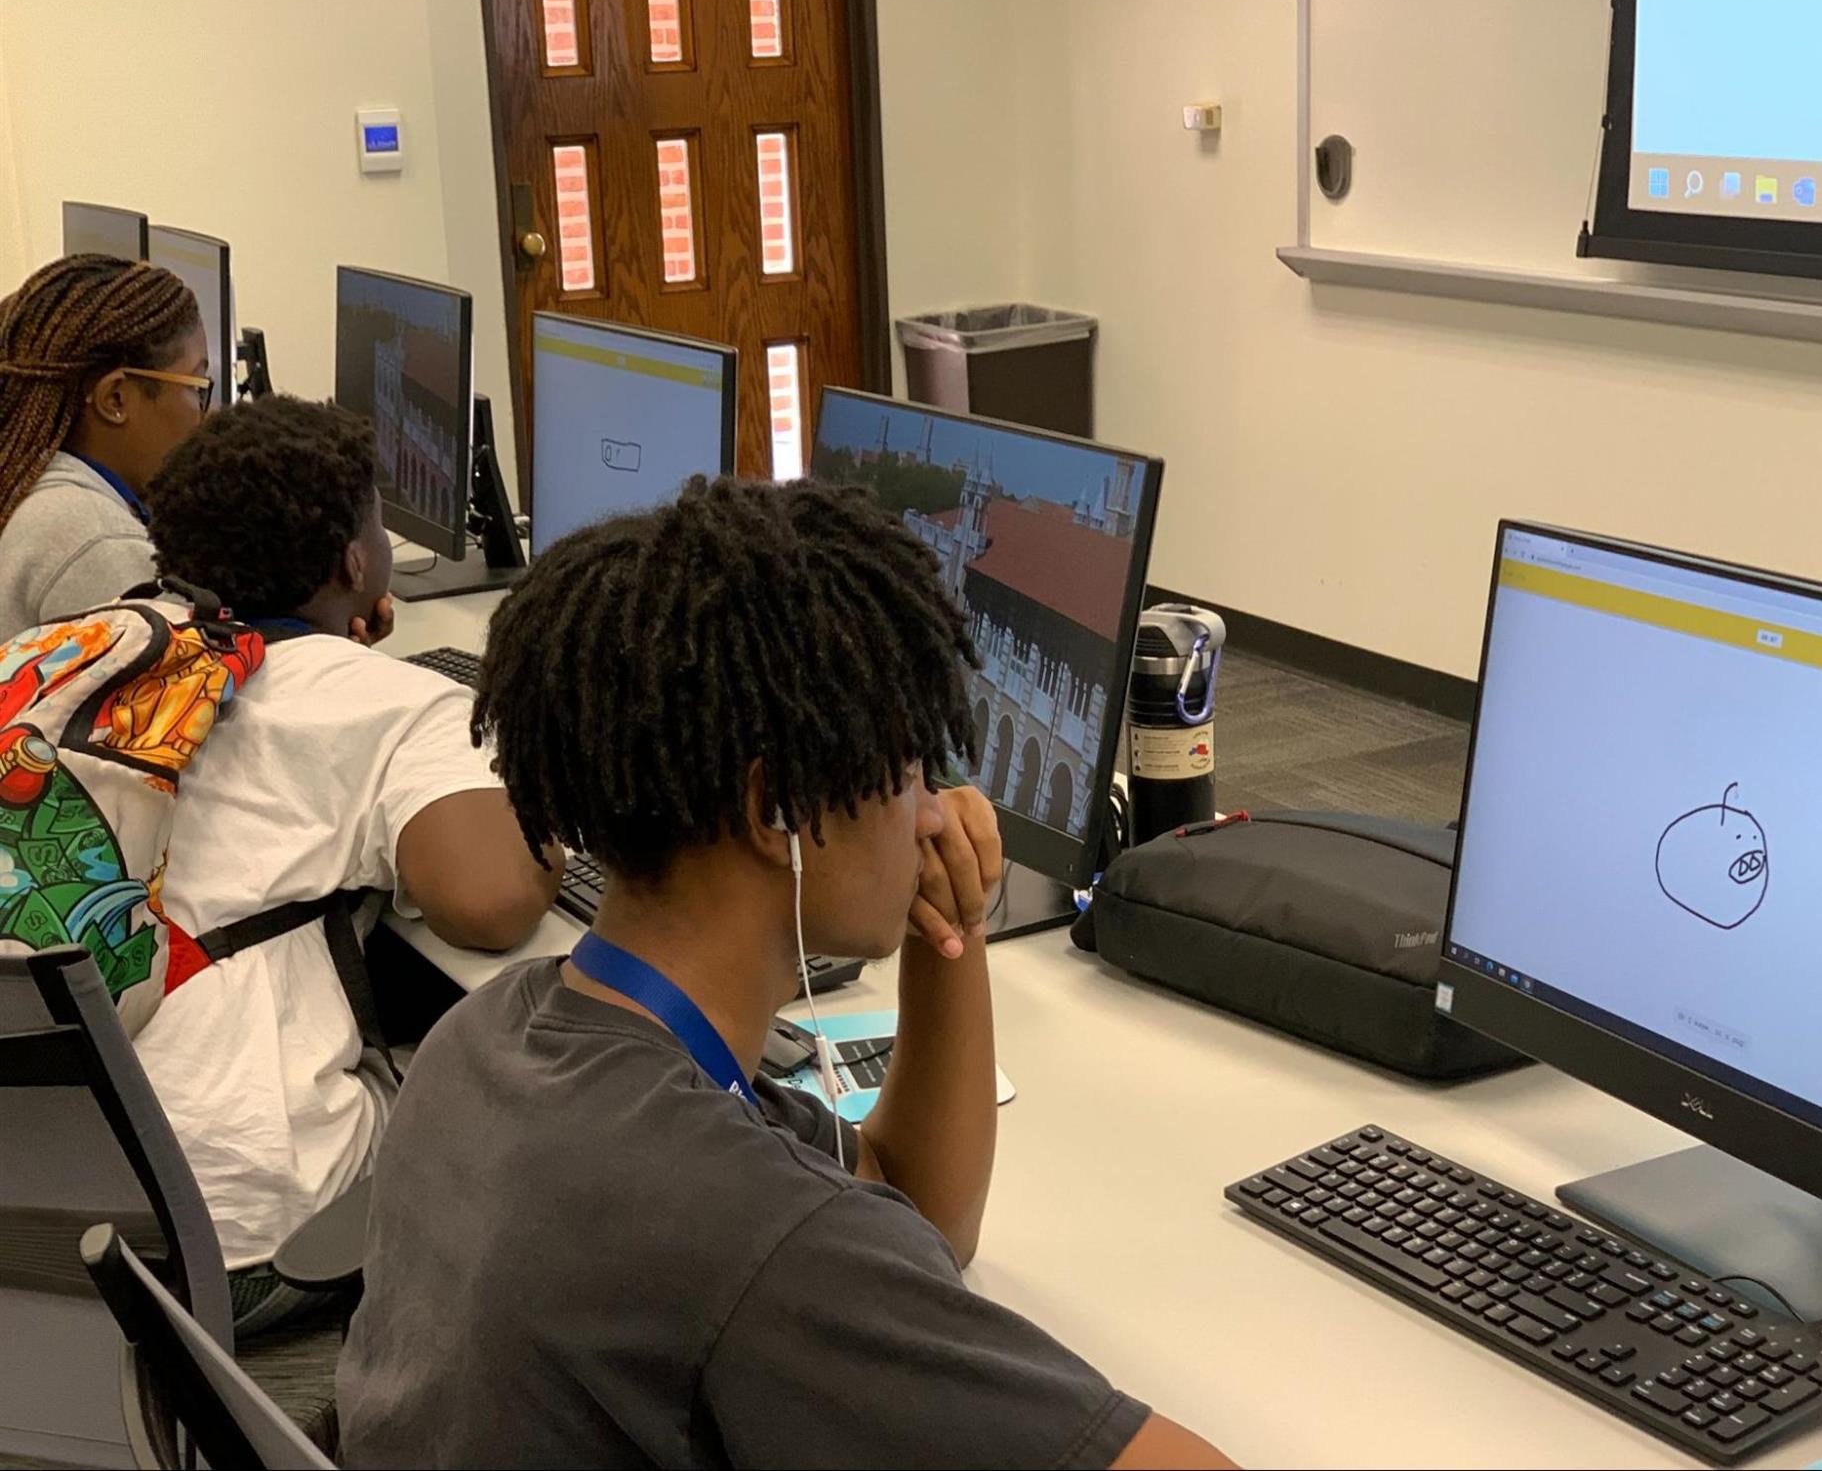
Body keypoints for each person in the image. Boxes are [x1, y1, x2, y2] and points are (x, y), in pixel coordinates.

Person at [335, 477, 1233, 1469]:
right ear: (780, 814)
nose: (933, 811)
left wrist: (953, 929)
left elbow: (916, 1208)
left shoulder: (497, 1035)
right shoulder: (752, 1234)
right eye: (903, 766)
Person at [139, 395, 560, 1333]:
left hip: (66, 1217)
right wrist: (545, 780)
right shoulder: (383, 701)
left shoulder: (115, 653)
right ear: (358, 562)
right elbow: (490, 902)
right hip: (249, 1239)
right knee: (553, 1123)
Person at [0, 254, 210, 638]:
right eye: (197, 388)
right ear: (115, 399)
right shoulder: (98, 544)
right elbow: (186, 692)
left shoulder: (28, 482)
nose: (202, 416)